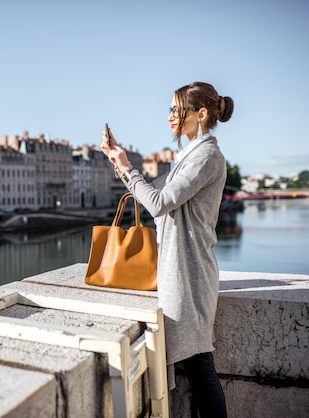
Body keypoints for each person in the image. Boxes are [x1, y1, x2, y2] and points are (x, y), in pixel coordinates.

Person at [101, 81, 233, 417]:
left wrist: (128, 169)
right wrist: (120, 163)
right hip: (182, 269)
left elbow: (158, 203)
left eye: (177, 109)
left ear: (201, 114)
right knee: (197, 364)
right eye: (170, 110)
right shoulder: (189, 155)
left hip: (191, 274)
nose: (171, 116)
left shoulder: (206, 156)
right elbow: (152, 193)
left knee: (201, 362)